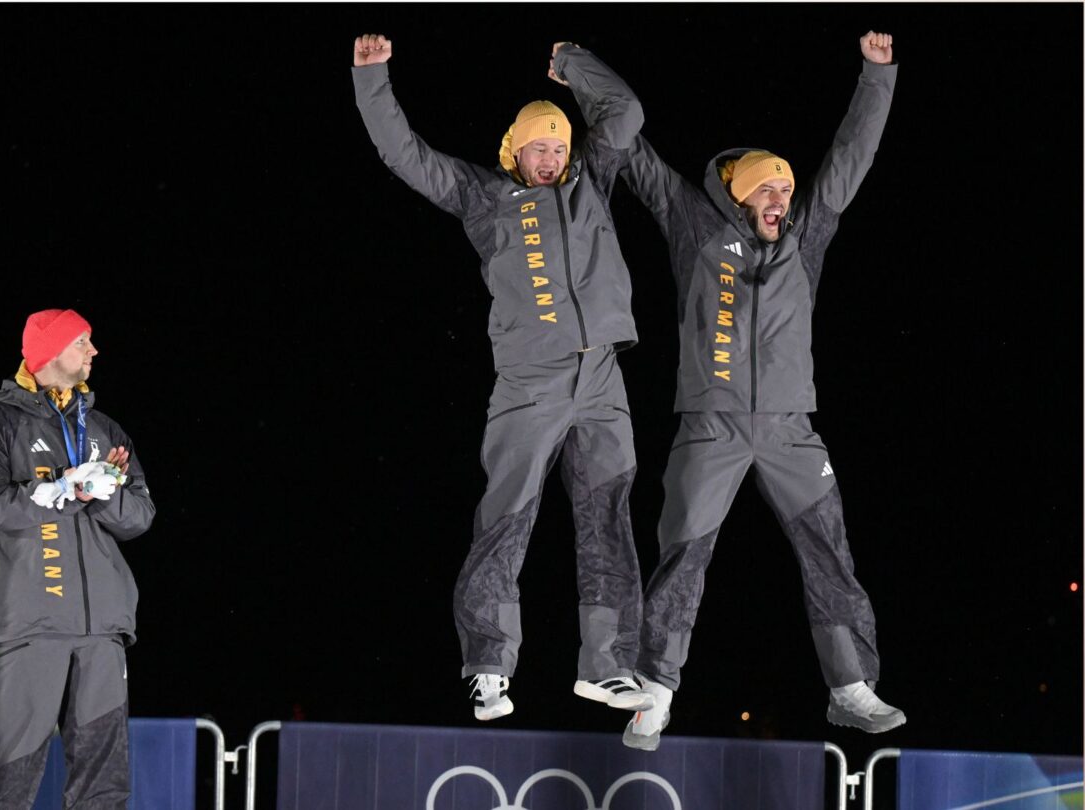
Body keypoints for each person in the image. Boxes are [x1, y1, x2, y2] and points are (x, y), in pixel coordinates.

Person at [614, 32, 904, 751]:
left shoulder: (805, 239)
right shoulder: (695, 230)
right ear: (741, 196)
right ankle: (654, 690)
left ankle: (851, 687)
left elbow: (850, 158)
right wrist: (579, 73)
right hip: (710, 426)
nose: (783, 197)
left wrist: (877, 74)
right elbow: (637, 157)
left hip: (788, 428)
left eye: (786, 188)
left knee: (829, 550)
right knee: (684, 555)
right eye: (768, 189)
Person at [353, 34, 653, 721]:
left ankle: (606, 668)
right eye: (537, 148)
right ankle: (488, 664)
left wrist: (573, 65)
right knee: (508, 518)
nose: (549, 159)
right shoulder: (486, 199)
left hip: (603, 376)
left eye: (557, 148)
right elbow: (405, 155)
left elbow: (627, 113)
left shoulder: (592, 184)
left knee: (608, 516)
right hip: (531, 381)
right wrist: (372, 79)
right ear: (513, 151)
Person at [0, 308, 155, 808]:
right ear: (50, 352)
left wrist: (103, 490)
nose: (94, 351)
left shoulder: (104, 430)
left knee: (104, 788)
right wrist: (61, 487)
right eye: (82, 343)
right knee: (10, 788)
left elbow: (140, 515)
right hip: (29, 623)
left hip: (102, 628)